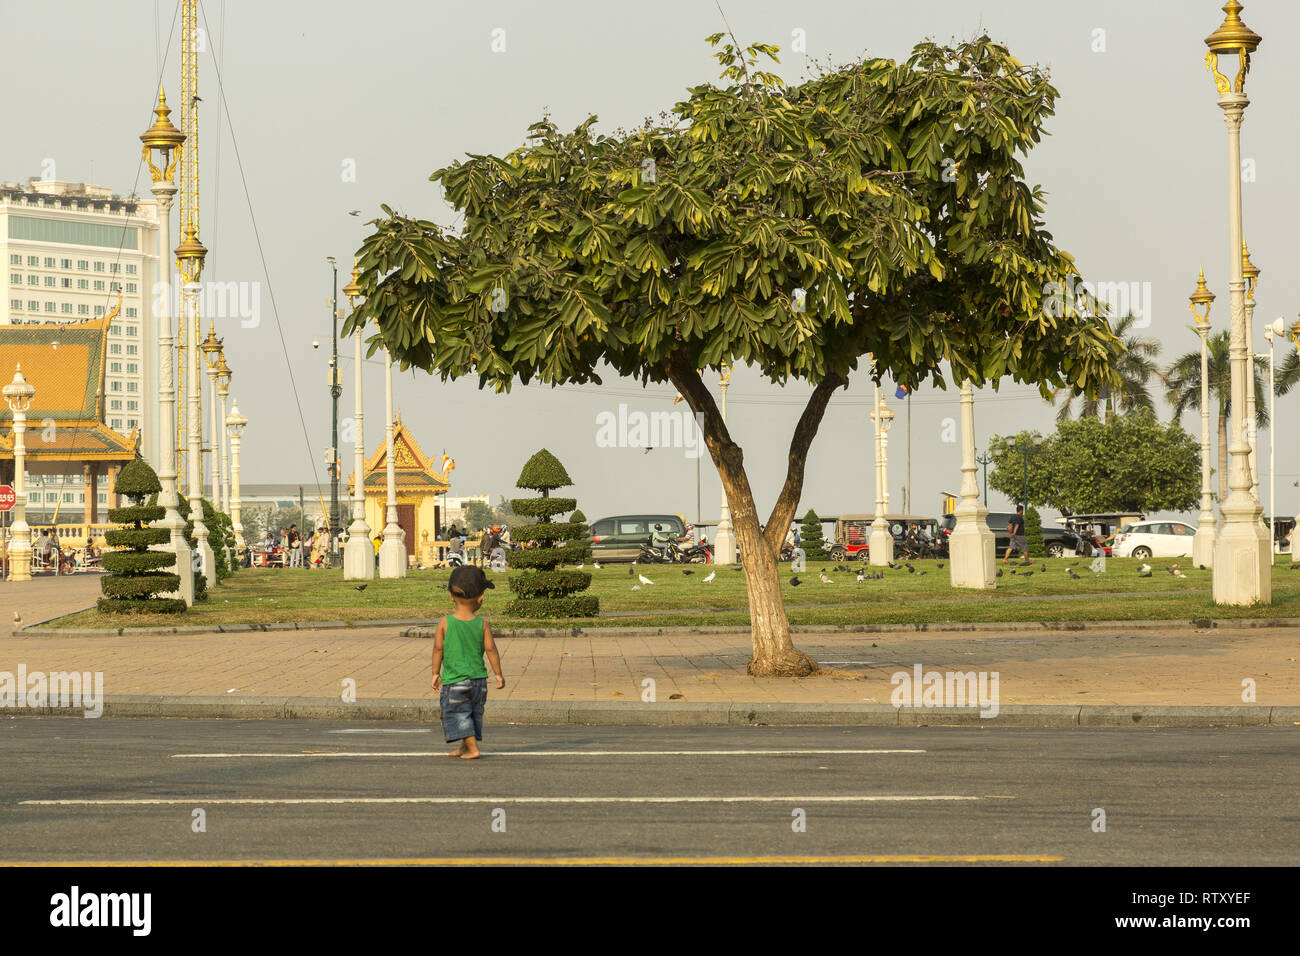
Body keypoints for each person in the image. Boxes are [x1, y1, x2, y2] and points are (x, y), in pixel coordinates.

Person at [431, 565, 504, 760]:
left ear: (450, 596)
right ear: (481, 598)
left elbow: (438, 649)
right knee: (472, 713)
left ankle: (473, 749)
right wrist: (498, 673)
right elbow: (491, 650)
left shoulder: (445, 622)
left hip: (455, 680)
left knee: (457, 713)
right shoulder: (482, 624)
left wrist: (435, 672)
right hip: (479, 681)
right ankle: (465, 746)